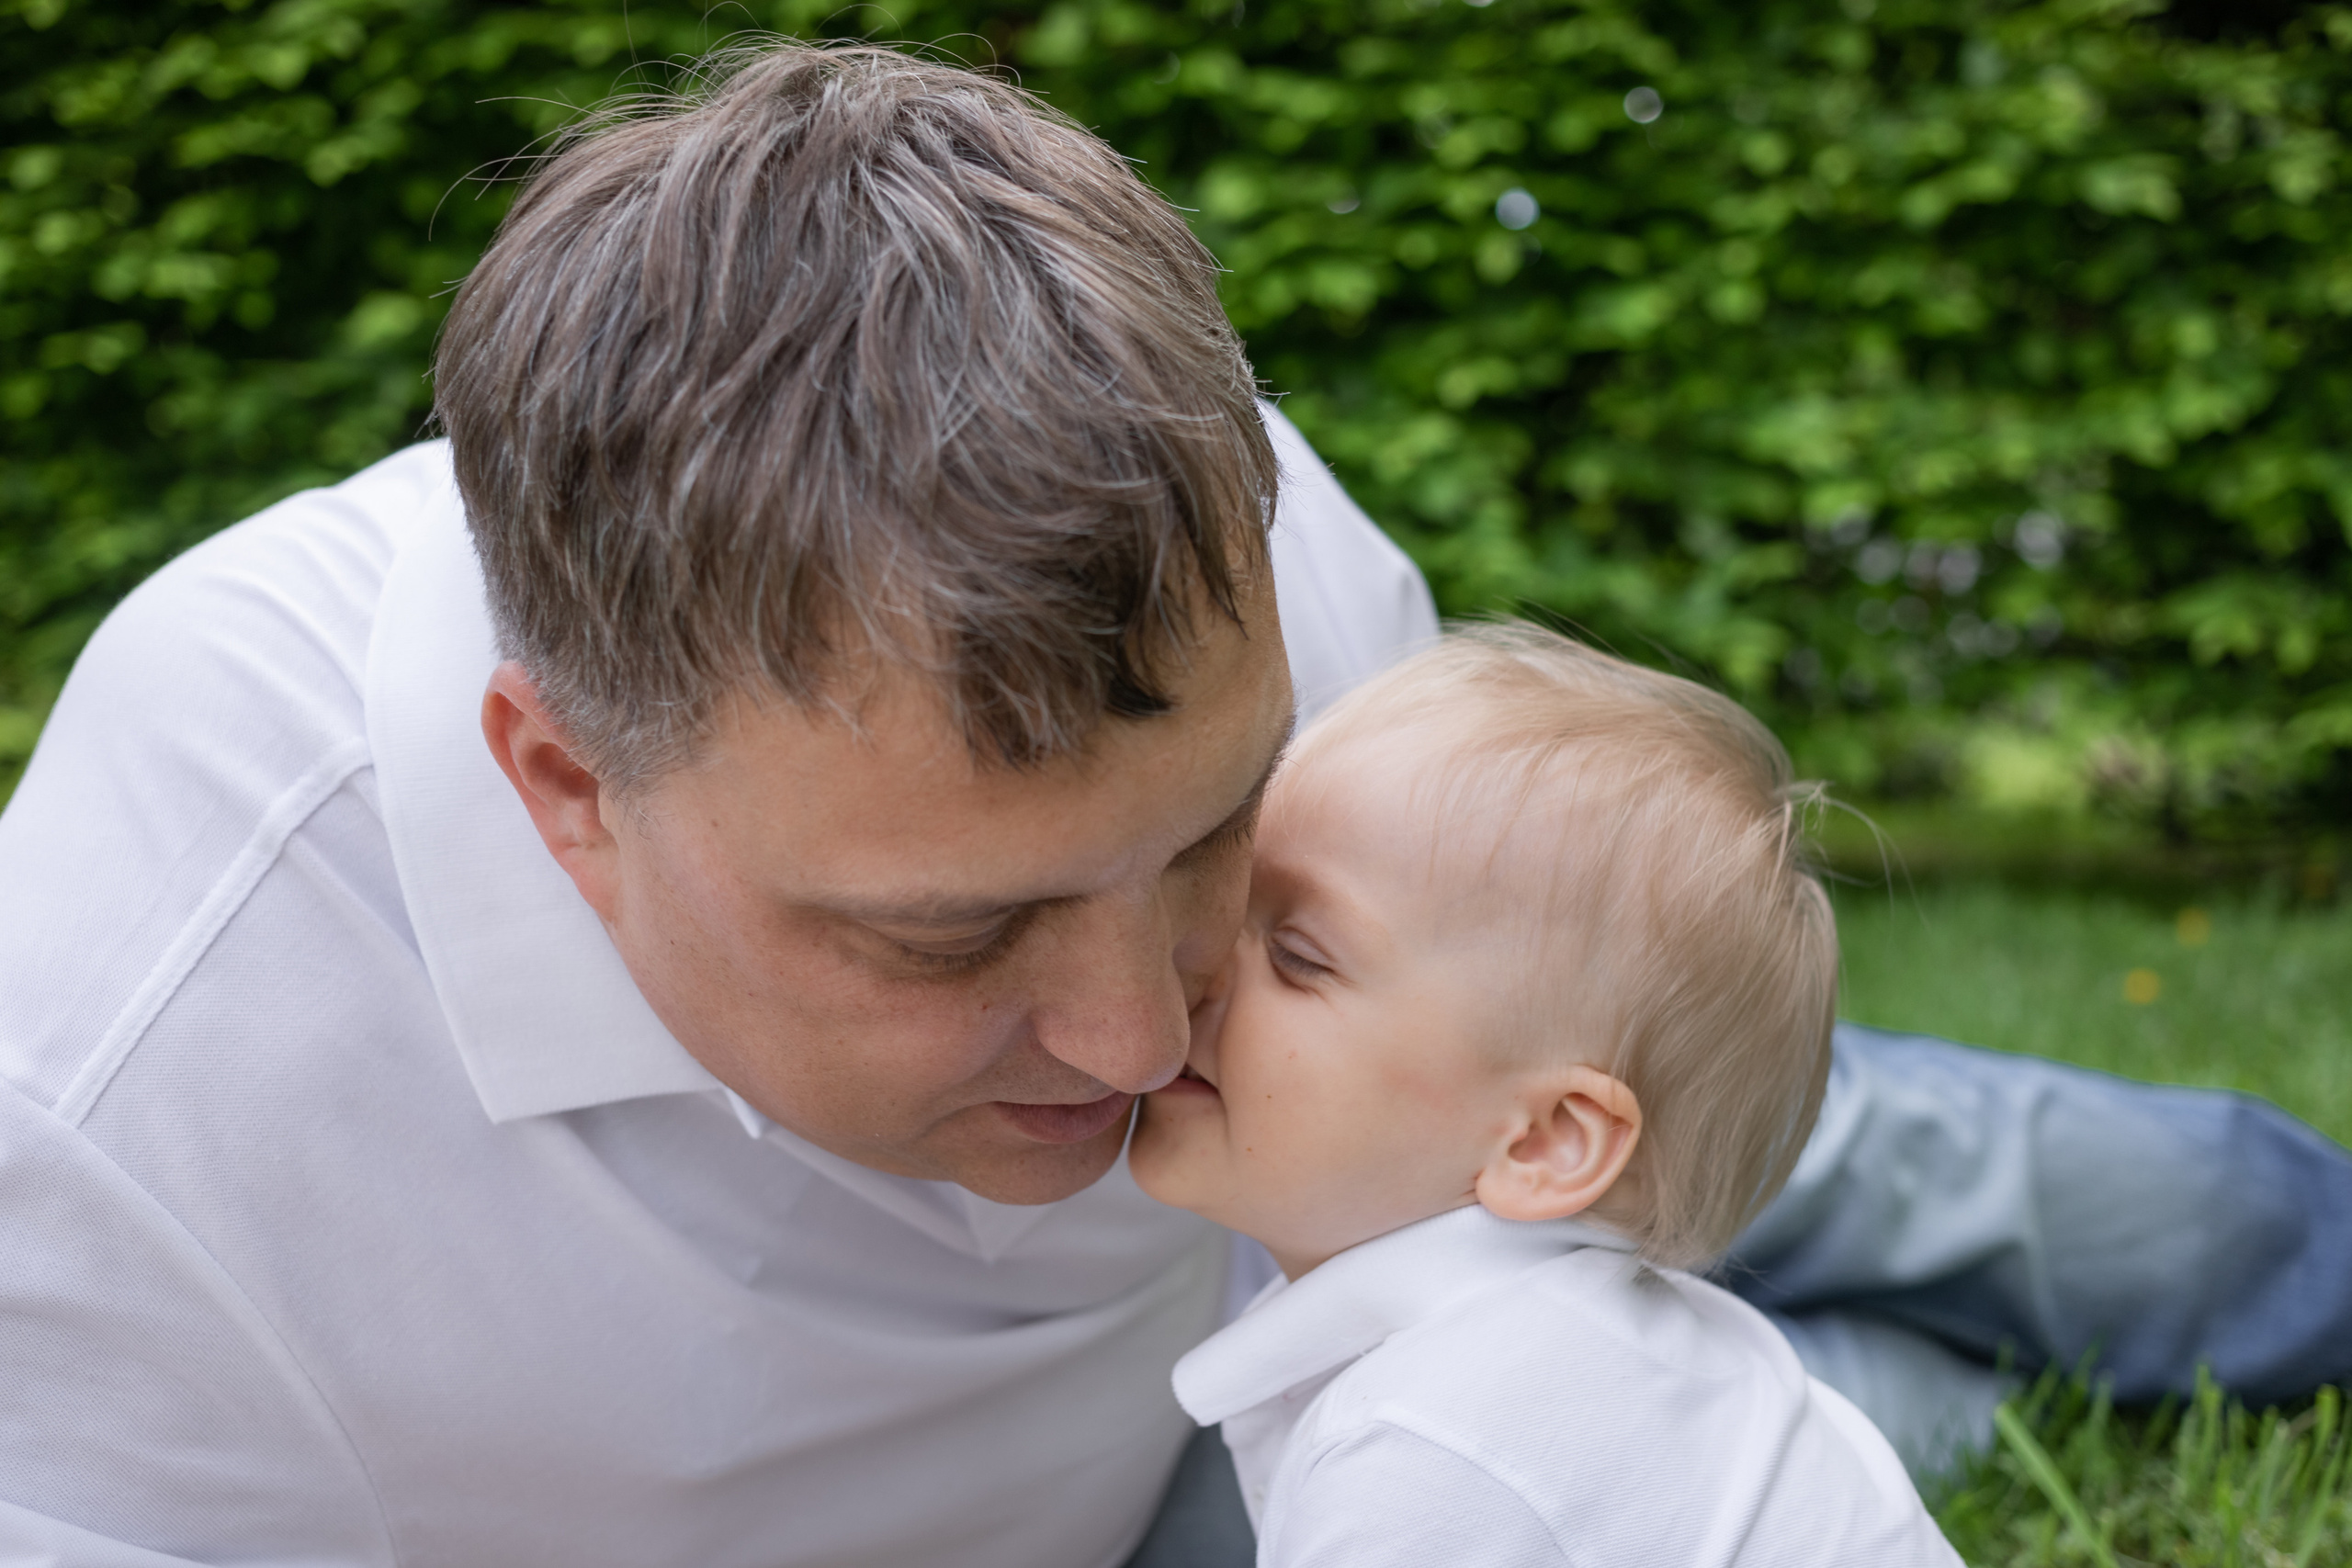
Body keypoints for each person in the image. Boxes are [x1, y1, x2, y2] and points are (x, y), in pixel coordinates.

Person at [0, 38, 2345, 1568]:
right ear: (563, 785)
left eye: (1220, 838)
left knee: (2077, 1205)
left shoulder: (1248, 529)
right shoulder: (135, 1057)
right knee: (1689, 1439)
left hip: (1407, 1147)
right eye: (946, 930)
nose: (1142, 1030)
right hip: (1195, 1501)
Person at [1130, 623, 1959, 1566]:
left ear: (1543, 1142)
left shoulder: (1430, 1441)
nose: (1193, 963)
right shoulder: (1537, 1357)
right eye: (1224, 907)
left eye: (1297, 955)